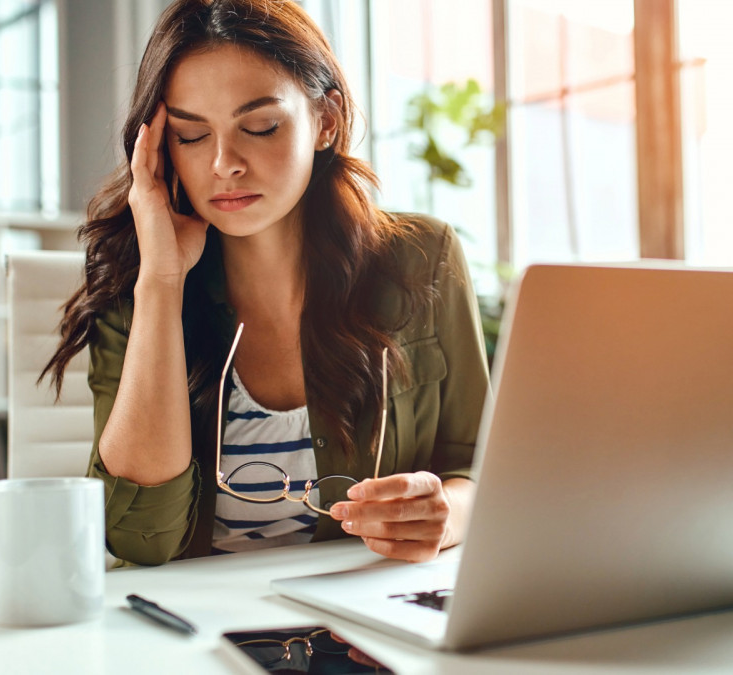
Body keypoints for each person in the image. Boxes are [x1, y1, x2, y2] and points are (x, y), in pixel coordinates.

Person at [42, 0, 489, 566]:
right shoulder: (136, 281)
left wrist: (445, 514)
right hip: (190, 636)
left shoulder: (423, 260)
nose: (224, 163)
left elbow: (477, 464)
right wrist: (160, 280)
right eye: (191, 135)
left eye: (259, 126)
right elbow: (140, 537)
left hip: (359, 625)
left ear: (325, 120)